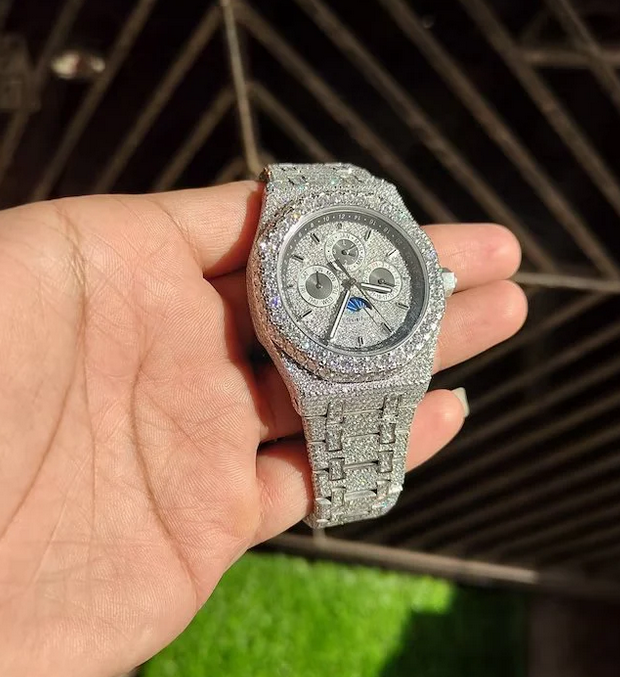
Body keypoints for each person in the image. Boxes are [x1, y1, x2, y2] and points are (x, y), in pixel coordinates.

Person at [0, 180, 526, 676]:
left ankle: (362, 494)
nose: (347, 281)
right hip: (318, 366)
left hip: (391, 360)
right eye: (322, 281)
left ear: (433, 281)